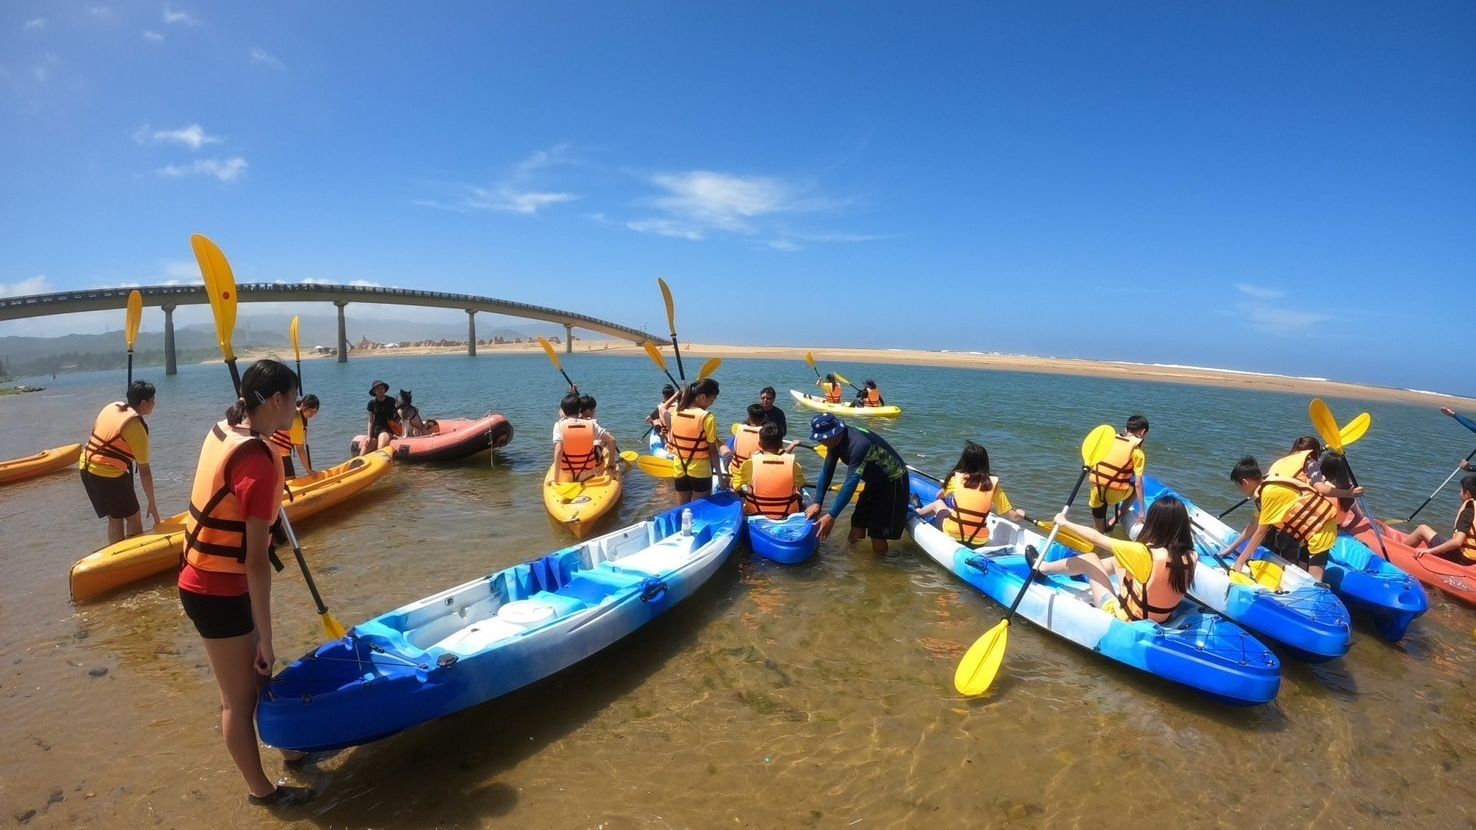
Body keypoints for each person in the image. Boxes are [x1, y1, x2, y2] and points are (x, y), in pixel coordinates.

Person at [176, 359, 316, 808]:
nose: (296, 409)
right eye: (293, 401)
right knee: (237, 698)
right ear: (276, 401)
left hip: (215, 578)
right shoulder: (257, 467)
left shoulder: (229, 428)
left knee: (260, 678)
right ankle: (262, 792)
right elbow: (256, 564)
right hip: (213, 590)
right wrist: (268, 638)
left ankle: (290, 749)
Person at [1037, 497, 1197, 623]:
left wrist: (1064, 523)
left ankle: (1042, 568)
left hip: (1126, 618)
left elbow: (1095, 537)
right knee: (1118, 560)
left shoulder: (1143, 553)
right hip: (1161, 617)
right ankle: (1081, 574)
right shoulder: (1192, 556)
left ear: (1155, 523)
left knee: (1090, 558)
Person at [1217, 456, 1338, 581]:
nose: (1239, 491)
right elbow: (1253, 525)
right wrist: (1230, 549)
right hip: (1310, 532)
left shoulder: (1268, 494)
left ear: (1245, 482)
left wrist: (1240, 562)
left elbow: (1260, 532)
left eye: (1238, 486)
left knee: (1315, 581)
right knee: (1307, 574)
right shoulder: (1265, 488)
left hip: (1322, 531)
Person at [804, 415, 910, 554]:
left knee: (876, 533)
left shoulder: (859, 444)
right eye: (819, 438)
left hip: (893, 482)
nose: (820, 441)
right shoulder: (833, 442)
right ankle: (847, 555)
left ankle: (878, 568)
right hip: (874, 481)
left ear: (835, 433)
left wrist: (832, 515)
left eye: (823, 438)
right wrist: (818, 502)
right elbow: (827, 471)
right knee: (858, 521)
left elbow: (850, 483)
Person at [79, 380, 161, 544]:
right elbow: (145, 471)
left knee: (115, 518)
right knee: (133, 517)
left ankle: (116, 556)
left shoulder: (113, 406)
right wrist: (152, 504)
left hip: (86, 467)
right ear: (143, 402)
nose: (155, 403)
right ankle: (133, 556)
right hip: (106, 473)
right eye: (153, 400)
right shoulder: (136, 428)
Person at [915, 441, 1026, 547]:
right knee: (956, 512)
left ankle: (918, 512)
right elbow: (1013, 516)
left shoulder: (956, 479)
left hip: (953, 534)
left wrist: (947, 494)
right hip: (979, 540)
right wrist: (1020, 514)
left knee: (938, 503)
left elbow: (939, 496)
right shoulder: (993, 485)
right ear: (985, 462)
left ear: (964, 462)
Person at [1087, 414, 1149, 532]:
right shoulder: (1137, 452)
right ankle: (1114, 520)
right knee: (1136, 490)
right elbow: (1138, 484)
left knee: (1099, 531)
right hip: (1115, 494)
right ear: (1143, 432)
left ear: (1126, 429)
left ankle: (1099, 537)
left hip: (1097, 491)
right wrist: (1142, 512)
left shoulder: (1108, 443)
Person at [731, 423, 807, 518]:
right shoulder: (793, 464)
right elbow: (802, 484)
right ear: (781, 444)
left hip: (755, 513)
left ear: (759, 443)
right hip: (787, 513)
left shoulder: (749, 464)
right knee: (798, 491)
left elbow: (735, 486)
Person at [667, 378, 723, 505]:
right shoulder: (707, 417)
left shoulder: (676, 412)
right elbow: (713, 451)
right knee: (699, 512)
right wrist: (720, 477)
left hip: (679, 469)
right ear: (703, 397)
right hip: (700, 472)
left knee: (683, 510)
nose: (712, 404)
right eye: (712, 400)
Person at [1400, 474, 1476, 564]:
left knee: (1422, 529)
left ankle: (1396, 551)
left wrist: (1431, 550)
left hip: (1461, 559)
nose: (1459, 494)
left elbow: (1457, 542)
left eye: (1461, 491)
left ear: (1467, 493)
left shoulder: (1468, 512)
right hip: (1472, 560)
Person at [551, 392, 617, 483]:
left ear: (563, 410)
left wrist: (555, 478)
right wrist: (611, 462)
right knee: (599, 442)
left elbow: (558, 450)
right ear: (579, 409)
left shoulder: (559, 425)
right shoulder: (592, 424)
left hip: (566, 475)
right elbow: (612, 440)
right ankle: (600, 463)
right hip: (588, 474)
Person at [268, 394, 319, 479]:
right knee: (290, 480)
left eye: (315, 412)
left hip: (269, 450)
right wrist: (309, 470)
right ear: (303, 406)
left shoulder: (292, 409)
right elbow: (300, 450)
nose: (312, 414)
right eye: (310, 411)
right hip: (279, 454)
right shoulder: (297, 421)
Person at [726, 404, 767, 474]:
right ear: (764, 419)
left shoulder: (739, 428)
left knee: (724, 448)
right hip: (754, 473)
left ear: (748, 418)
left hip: (736, 470)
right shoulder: (765, 434)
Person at [362, 380, 400, 455]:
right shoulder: (371, 403)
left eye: (382, 388)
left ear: (384, 389)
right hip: (376, 429)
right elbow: (370, 421)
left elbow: (398, 415)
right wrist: (369, 437)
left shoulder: (391, 401)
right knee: (362, 453)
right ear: (374, 391)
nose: (380, 390)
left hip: (387, 428)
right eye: (378, 389)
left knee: (380, 448)